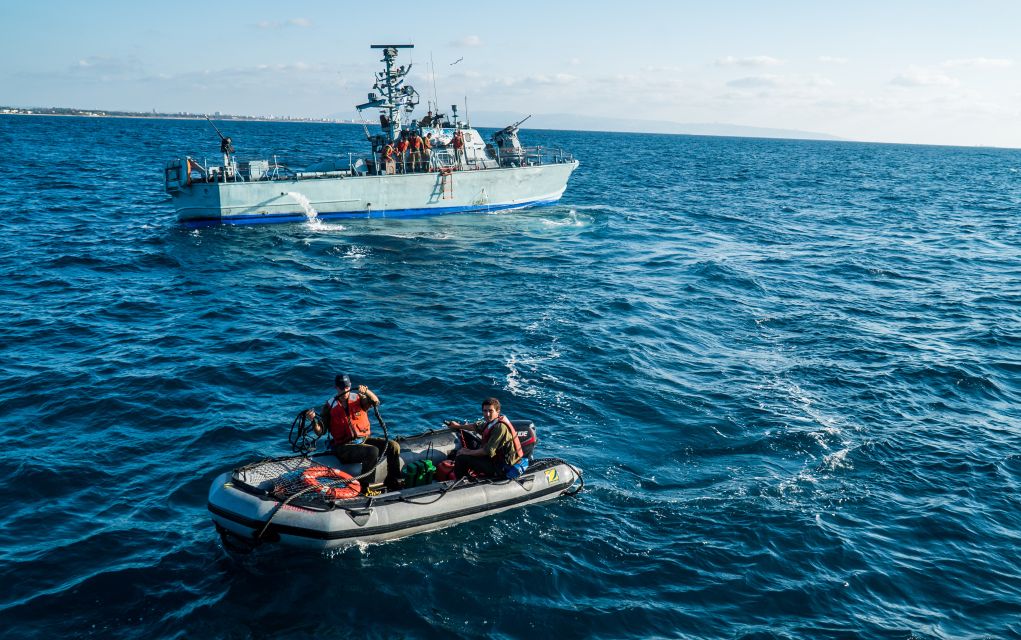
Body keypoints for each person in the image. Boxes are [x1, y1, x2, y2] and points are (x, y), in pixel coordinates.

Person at [308, 374, 401, 492]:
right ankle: (364, 487)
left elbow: (375, 401)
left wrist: (366, 392)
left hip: (362, 440)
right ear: (336, 388)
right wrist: (313, 420)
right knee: (373, 451)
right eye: (341, 388)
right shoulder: (329, 406)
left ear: (350, 386)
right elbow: (320, 431)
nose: (345, 390)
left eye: (346, 387)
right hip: (344, 447)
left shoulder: (358, 398)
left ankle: (394, 480)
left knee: (394, 446)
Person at [445, 397, 525, 479]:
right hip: (494, 459)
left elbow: (487, 451)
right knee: (470, 445)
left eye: (490, 411)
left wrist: (467, 452)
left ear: (498, 412)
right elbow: (475, 427)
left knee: (462, 458)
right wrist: (457, 426)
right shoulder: (491, 422)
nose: (487, 414)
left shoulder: (500, 427)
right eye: (485, 411)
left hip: (501, 466)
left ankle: (460, 484)